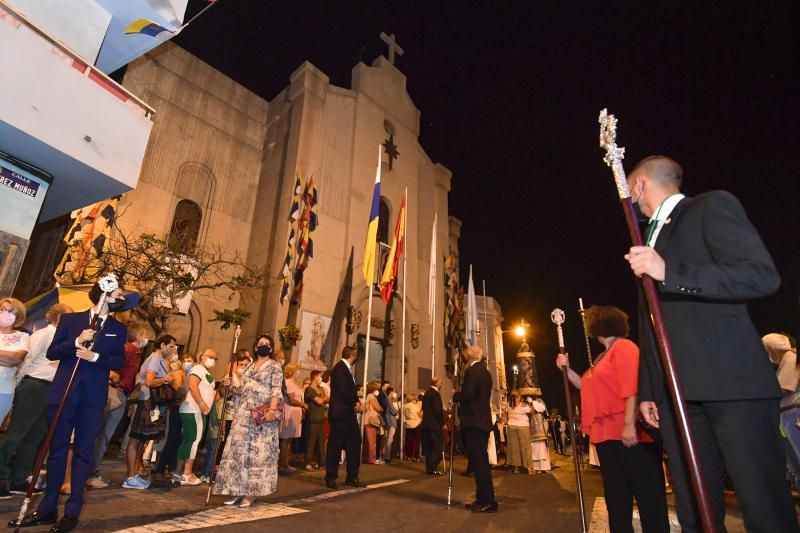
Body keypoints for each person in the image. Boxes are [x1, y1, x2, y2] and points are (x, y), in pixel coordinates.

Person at [624, 155, 798, 532]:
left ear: (638, 186)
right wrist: (649, 389)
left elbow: (760, 276)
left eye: (631, 190)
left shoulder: (709, 207)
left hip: (731, 384)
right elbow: (653, 322)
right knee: (694, 507)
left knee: (761, 503)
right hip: (678, 394)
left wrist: (670, 272)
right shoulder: (648, 238)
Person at [11, 281, 126, 533]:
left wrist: (96, 357)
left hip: (92, 398)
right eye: (117, 294)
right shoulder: (71, 321)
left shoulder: (118, 329)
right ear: (103, 295)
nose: (121, 298)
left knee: (84, 452)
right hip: (64, 393)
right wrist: (76, 342)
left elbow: (119, 359)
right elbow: (53, 352)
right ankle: (47, 509)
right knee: (56, 450)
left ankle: (72, 511)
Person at [557, 305, 668, 532]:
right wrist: (567, 370)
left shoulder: (624, 348)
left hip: (630, 435)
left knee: (648, 498)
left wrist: (628, 425)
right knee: (617, 499)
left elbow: (633, 388)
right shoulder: (600, 358)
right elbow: (586, 386)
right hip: (607, 437)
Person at [0, 304, 70, 498]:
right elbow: (27, 361)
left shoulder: (65, 338)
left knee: (35, 436)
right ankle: (1, 477)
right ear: (56, 317)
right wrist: (21, 383)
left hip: (51, 389)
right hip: (34, 385)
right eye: (68, 316)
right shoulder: (43, 335)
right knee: (17, 433)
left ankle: (19, 479)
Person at [214, 334, 283, 507]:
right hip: (244, 414)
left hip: (262, 415)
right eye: (260, 344)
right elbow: (241, 390)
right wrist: (231, 385)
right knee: (239, 453)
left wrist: (272, 410)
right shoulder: (249, 367)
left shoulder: (275, 367)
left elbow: (275, 390)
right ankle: (237, 489)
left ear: (271, 349)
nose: (263, 346)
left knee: (256, 454)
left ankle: (251, 493)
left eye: (267, 344)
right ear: (255, 347)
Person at [88, 321, 145, 489]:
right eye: (145, 335)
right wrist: (115, 378)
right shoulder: (127, 350)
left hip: (122, 394)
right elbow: (111, 368)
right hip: (115, 393)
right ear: (139, 336)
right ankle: (91, 473)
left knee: (105, 434)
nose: (146, 338)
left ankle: (92, 471)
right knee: (103, 434)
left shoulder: (135, 353)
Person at [123, 334, 179, 490]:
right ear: (162, 345)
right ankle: (130, 476)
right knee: (136, 438)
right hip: (146, 401)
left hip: (152, 403)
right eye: (171, 346)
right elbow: (149, 381)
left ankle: (134, 475)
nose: (173, 349)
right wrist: (164, 379)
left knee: (142, 439)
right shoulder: (155, 359)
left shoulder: (161, 361)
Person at [454, 345, 497, 513]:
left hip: (474, 422)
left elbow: (468, 394)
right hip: (481, 422)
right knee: (481, 463)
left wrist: (455, 395)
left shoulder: (472, 372)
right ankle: (483, 498)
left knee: (480, 464)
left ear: (469, 356)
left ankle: (487, 500)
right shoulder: (485, 372)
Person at [200, 350, 252, 482]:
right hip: (228, 415)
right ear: (235, 364)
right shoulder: (230, 377)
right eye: (241, 364)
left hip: (240, 415)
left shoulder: (247, 379)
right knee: (219, 445)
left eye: (246, 364)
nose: (243, 367)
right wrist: (225, 386)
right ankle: (210, 471)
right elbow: (223, 393)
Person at [173, 348, 218, 485]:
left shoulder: (204, 372)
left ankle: (178, 473)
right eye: (209, 356)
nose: (212, 359)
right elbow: (193, 385)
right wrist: (201, 403)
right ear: (201, 356)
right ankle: (187, 473)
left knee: (188, 440)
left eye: (215, 357)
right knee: (192, 440)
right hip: (194, 409)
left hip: (197, 410)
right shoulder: (198, 369)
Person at [762, 333, 800, 489]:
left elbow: (785, 388)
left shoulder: (790, 358)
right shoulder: (787, 360)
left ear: (772, 349)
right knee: (794, 461)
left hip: (793, 412)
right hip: (787, 414)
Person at [324, 345, 364, 489]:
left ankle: (352, 476)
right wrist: (356, 403)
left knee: (354, 442)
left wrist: (355, 402)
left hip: (347, 414)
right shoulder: (340, 368)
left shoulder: (345, 369)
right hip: (340, 414)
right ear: (352, 356)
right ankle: (330, 476)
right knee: (335, 446)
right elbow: (343, 390)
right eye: (356, 356)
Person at [154, 352, 192, 478]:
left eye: (190, 360)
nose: (187, 363)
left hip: (181, 408)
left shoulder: (186, 374)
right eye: (185, 360)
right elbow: (178, 388)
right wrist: (186, 393)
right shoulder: (178, 373)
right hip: (177, 407)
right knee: (172, 438)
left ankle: (170, 467)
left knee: (177, 439)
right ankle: (160, 468)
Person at [0, 297, 30, 424]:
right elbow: (10, 359)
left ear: (18, 316)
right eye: (2, 309)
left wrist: (11, 359)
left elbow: (16, 359)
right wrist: (7, 357)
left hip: (4, 390)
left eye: (10, 311)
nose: (4, 314)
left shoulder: (23, 336)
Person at [279, 362, 306, 472]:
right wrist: (303, 405)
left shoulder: (295, 383)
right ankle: (282, 463)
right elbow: (291, 399)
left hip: (295, 414)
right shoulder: (288, 382)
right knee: (286, 439)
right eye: (297, 370)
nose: (298, 372)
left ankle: (286, 461)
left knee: (290, 439)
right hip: (289, 412)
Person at [304, 370, 328, 470]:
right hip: (313, 418)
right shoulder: (310, 390)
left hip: (321, 418)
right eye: (319, 376)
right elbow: (319, 401)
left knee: (321, 442)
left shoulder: (321, 388)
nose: (320, 379)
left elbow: (326, 397)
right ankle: (308, 462)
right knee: (311, 441)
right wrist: (323, 399)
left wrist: (323, 399)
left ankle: (322, 462)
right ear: (315, 376)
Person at [421, 376, 445, 475]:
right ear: (437, 383)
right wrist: (442, 423)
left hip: (426, 424)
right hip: (434, 424)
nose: (442, 384)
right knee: (438, 446)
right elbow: (437, 410)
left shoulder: (427, 393)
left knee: (429, 447)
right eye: (441, 383)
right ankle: (432, 466)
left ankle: (429, 468)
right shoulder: (435, 394)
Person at [506, 392, 531, 474]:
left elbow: (506, 414)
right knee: (525, 447)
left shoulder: (508, 405)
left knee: (514, 448)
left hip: (511, 426)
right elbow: (531, 411)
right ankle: (528, 468)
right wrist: (531, 403)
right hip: (523, 426)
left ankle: (516, 468)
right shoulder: (523, 405)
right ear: (519, 397)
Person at [362, 381, 384, 464]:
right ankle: (372, 459)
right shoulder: (371, 396)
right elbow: (378, 408)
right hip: (371, 421)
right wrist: (381, 408)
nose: (378, 391)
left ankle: (366, 458)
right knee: (372, 442)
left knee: (368, 442)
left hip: (367, 420)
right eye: (377, 389)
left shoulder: (369, 396)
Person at [529, 398, 551, 474]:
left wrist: (532, 402)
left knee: (541, 448)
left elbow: (542, 408)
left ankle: (544, 467)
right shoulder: (526, 401)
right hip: (531, 428)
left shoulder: (539, 400)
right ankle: (535, 467)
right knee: (534, 449)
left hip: (540, 428)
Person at [382, 387, 399, 463]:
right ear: (391, 392)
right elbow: (393, 411)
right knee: (390, 439)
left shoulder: (387, 399)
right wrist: (397, 411)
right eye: (393, 392)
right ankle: (387, 457)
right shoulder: (388, 399)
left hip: (388, 420)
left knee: (387, 438)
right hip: (391, 421)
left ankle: (386, 455)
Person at [403, 394, 422, 461]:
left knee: (408, 441)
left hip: (408, 424)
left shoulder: (404, 406)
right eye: (415, 399)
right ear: (413, 399)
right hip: (416, 423)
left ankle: (408, 455)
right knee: (417, 441)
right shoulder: (415, 406)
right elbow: (419, 414)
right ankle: (416, 456)